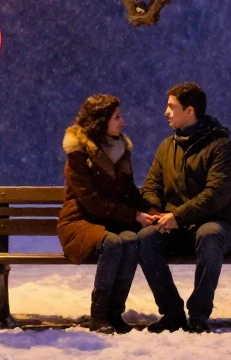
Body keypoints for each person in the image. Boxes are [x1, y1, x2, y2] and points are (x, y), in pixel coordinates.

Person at [136, 82, 231, 334]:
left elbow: (215, 195)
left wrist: (178, 216)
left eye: (171, 107)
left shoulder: (220, 147)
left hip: (215, 225)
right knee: (145, 238)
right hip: (176, 227)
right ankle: (171, 313)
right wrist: (154, 211)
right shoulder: (167, 147)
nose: (166, 112)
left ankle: (199, 315)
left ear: (190, 111)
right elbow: (151, 185)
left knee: (209, 235)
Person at [57, 94, 156, 334]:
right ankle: (99, 314)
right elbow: (91, 202)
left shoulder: (120, 150)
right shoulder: (78, 155)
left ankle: (115, 312)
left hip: (110, 219)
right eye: (117, 117)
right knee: (113, 243)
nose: (122, 122)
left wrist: (152, 211)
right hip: (80, 221)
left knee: (131, 241)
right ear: (101, 121)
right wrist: (133, 216)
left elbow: (129, 192)